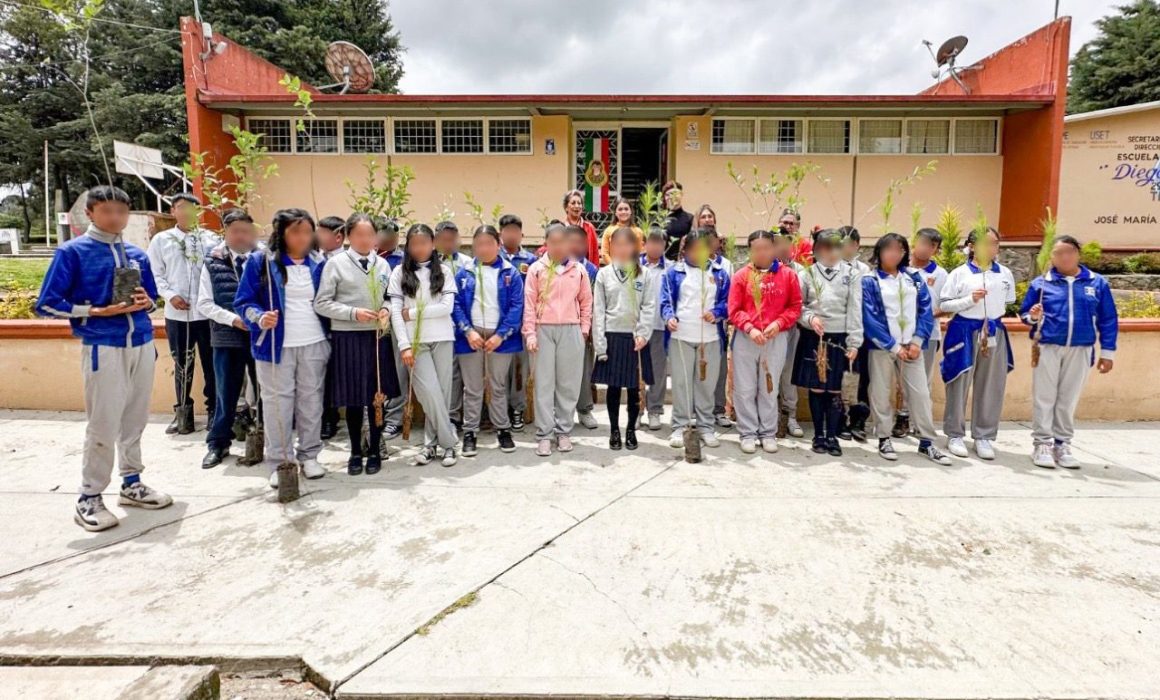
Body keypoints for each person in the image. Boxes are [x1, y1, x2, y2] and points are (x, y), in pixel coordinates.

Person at [37, 185, 172, 531]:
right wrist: (96, 311)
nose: (115, 218)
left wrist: (146, 302)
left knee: (135, 419)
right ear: (91, 213)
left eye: (122, 212)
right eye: (107, 211)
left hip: (141, 343)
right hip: (103, 345)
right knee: (103, 423)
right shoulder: (73, 252)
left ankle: (132, 483)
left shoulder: (136, 254)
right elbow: (47, 304)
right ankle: (90, 496)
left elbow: (152, 298)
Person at [235, 208, 330, 489]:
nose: (303, 237)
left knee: (311, 402)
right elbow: (243, 301)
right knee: (278, 404)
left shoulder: (320, 262)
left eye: (307, 231)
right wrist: (259, 317)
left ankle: (309, 455)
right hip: (275, 346)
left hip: (314, 342)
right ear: (281, 234)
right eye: (295, 232)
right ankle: (280, 462)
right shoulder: (261, 262)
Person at [1020, 235, 1118, 469]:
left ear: (1078, 254)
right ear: (1051, 257)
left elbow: (1108, 319)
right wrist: (1033, 316)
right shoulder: (1041, 284)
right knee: (1044, 396)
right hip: (1047, 347)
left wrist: (1107, 353)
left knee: (1068, 398)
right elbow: (1025, 315)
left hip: (1081, 348)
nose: (1064, 257)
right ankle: (1042, 444)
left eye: (1069, 252)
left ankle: (1062, 444)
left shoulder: (1097, 283)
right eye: (1058, 253)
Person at [314, 213, 400, 476]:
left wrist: (386, 310)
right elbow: (321, 303)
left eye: (369, 235)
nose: (365, 240)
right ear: (348, 236)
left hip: (377, 338)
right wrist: (353, 313)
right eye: (359, 235)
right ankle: (354, 451)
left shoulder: (382, 265)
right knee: (352, 399)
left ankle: (374, 450)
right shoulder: (335, 264)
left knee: (377, 398)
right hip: (348, 337)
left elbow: (391, 297)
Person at [861, 233, 951, 465]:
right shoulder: (870, 281)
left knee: (920, 393)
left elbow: (925, 310)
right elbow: (870, 318)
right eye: (888, 249)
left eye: (899, 250)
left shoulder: (914, 278)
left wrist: (917, 341)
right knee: (880, 392)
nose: (893, 254)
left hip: (912, 347)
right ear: (879, 252)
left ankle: (926, 442)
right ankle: (884, 437)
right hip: (882, 347)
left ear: (904, 253)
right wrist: (893, 346)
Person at [939, 226, 1016, 461]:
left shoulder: (1004, 274)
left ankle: (983, 436)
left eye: (994, 243)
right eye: (984, 243)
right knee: (959, 382)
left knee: (991, 384)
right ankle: (954, 434)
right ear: (971, 246)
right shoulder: (959, 274)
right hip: (964, 330)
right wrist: (968, 300)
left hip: (993, 330)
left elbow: (1008, 301)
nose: (990, 248)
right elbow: (944, 304)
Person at [147, 192, 219, 435]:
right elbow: (155, 274)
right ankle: (182, 413)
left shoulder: (210, 239)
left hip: (208, 315)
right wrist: (170, 295)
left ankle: (214, 411)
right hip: (178, 315)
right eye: (182, 207)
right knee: (182, 365)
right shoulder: (161, 240)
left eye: (192, 208)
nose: (187, 212)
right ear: (173, 211)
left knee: (212, 365)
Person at [389, 223, 460, 467]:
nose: (419, 248)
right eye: (414, 243)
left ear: (433, 244)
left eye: (424, 243)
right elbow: (396, 313)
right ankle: (449, 443)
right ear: (408, 246)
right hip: (415, 342)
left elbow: (446, 308)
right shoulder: (399, 273)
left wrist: (413, 313)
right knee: (429, 393)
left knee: (441, 395)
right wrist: (403, 345)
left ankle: (431, 446)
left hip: (442, 337)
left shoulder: (445, 272)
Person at [727, 229, 802, 454]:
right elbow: (734, 309)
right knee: (745, 388)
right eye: (757, 249)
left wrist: (779, 323)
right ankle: (747, 432)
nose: (762, 253)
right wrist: (749, 328)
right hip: (747, 338)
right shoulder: (742, 276)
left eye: (766, 248)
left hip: (775, 338)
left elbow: (795, 306)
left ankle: (768, 432)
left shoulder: (787, 275)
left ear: (774, 248)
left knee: (769, 387)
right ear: (750, 251)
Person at [522, 222, 593, 457]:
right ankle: (544, 434)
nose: (558, 247)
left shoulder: (578, 270)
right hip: (543, 329)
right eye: (553, 242)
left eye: (562, 242)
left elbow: (586, 301)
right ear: (546, 243)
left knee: (568, 384)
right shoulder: (536, 269)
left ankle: (564, 431)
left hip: (571, 330)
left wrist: (584, 329)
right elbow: (529, 303)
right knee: (543, 383)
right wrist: (530, 333)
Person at [453, 225, 524, 456]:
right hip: (471, 336)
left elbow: (517, 306)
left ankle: (502, 428)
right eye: (479, 244)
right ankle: (470, 431)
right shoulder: (465, 272)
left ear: (498, 244)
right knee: (472, 387)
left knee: (497, 385)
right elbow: (455, 304)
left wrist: (500, 335)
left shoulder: (510, 273)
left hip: (501, 338)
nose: (483, 248)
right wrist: (468, 331)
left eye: (488, 243)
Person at [197, 208, 260, 469]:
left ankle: (266, 440)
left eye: (246, 231)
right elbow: (204, 303)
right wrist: (233, 319)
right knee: (226, 392)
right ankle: (218, 443)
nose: (241, 236)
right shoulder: (212, 261)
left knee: (266, 391)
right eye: (235, 231)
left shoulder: (263, 259)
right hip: (227, 336)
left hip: (261, 336)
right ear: (225, 232)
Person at [793, 230, 862, 456]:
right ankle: (818, 435)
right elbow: (798, 306)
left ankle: (832, 435)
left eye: (836, 247)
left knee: (834, 389)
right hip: (814, 337)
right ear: (816, 250)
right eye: (826, 247)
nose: (831, 252)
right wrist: (810, 319)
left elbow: (855, 309)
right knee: (816, 387)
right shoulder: (806, 274)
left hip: (839, 337)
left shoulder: (851, 274)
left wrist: (854, 342)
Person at [661, 228, 730, 449]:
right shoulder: (674, 273)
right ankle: (680, 425)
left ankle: (706, 426)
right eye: (694, 249)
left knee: (706, 385)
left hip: (710, 338)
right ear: (685, 250)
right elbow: (666, 301)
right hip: (681, 336)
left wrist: (717, 312)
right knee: (681, 384)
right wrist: (669, 317)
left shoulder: (720, 274)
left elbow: (728, 302)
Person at [592, 227, 658, 450]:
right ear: (610, 248)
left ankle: (630, 430)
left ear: (635, 247)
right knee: (613, 388)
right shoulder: (604, 275)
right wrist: (600, 344)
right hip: (612, 337)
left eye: (626, 245)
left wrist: (643, 334)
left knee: (633, 389)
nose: (621, 249)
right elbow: (599, 311)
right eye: (617, 245)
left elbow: (649, 306)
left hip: (635, 339)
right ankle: (614, 430)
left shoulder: (644, 274)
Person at [894, 228, 948, 437]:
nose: (926, 248)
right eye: (923, 243)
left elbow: (946, 305)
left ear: (936, 250)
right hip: (900, 334)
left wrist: (924, 316)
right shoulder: (901, 269)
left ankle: (920, 423)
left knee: (922, 381)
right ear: (914, 243)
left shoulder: (940, 274)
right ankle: (902, 418)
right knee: (901, 379)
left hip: (928, 334)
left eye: (932, 246)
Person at [499, 213, 537, 432]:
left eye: (515, 231)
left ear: (521, 234)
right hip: (499, 325)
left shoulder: (530, 260)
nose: (511, 235)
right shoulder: (495, 257)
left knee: (520, 369)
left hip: (522, 325)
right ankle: (500, 410)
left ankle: (517, 408)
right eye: (507, 231)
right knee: (500, 370)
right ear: (500, 234)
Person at [839, 225, 872, 441]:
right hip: (839, 332)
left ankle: (858, 420)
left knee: (861, 378)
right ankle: (840, 420)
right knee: (839, 378)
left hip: (862, 332)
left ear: (857, 245)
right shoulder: (833, 268)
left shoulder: (865, 271)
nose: (845, 248)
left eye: (850, 244)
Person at [435, 220, 468, 430]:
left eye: (452, 239)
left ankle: (456, 416)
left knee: (459, 373)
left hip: (462, 326)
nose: (449, 244)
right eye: (444, 240)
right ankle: (442, 416)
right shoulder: (429, 263)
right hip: (437, 324)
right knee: (442, 373)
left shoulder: (467, 263)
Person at [772, 230, 805, 438]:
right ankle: (771, 418)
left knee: (788, 373)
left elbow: (800, 301)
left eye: (786, 243)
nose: (782, 247)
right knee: (770, 373)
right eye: (778, 243)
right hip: (769, 330)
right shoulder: (764, 268)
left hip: (792, 328)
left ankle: (790, 416)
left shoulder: (800, 271)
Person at [377, 218, 407, 441]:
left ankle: (394, 418)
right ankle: (372, 417)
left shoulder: (402, 260)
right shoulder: (367, 258)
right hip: (367, 322)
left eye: (394, 236)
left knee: (397, 371)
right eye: (385, 234)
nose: (390, 239)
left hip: (394, 321)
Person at [318, 215, 347, 440]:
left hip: (342, 325)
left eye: (322, 233)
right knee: (320, 374)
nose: (317, 237)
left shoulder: (346, 261)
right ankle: (322, 418)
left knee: (336, 374)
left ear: (338, 237)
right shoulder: (314, 258)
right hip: (317, 325)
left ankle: (331, 418)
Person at [569, 224, 600, 430]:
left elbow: (595, 301)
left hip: (584, 329)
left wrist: (589, 327)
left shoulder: (591, 270)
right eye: (571, 241)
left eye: (580, 242)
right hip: (561, 326)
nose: (575, 246)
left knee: (584, 370)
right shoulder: (556, 267)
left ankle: (584, 409)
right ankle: (561, 412)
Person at [640, 229, 670, 431]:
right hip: (637, 327)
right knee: (637, 371)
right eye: (652, 242)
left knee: (658, 371)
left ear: (665, 246)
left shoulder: (671, 269)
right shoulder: (634, 266)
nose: (656, 246)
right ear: (644, 244)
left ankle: (655, 410)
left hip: (660, 326)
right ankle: (636, 410)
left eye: (660, 243)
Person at [706, 223, 735, 429]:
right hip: (695, 328)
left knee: (719, 370)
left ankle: (718, 409)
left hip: (717, 327)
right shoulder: (690, 265)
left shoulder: (725, 267)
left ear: (718, 242)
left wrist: (717, 314)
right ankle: (698, 411)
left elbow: (729, 298)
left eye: (712, 239)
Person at [599, 198, 643, 266]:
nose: (623, 212)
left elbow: (640, 253)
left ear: (631, 212)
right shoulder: (609, 231)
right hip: (613, 268)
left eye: (626, 209)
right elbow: (604, 253)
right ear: (615, 213)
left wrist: (632, 268)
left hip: (632, 269)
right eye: (620, 209)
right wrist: (614, 267)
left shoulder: (638, 232)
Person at [562, 189, 600, 265]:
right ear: (566, 207)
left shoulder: (589, 228)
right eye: (573, 203)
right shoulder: (561, 228)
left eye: (579, 203)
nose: (577, 206)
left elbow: (595, 254)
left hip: (586, 269)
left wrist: (594, 270)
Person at [661, 181, 693, 260]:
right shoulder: (658, 219)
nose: (672, 197)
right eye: (668, 194)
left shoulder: (690, 219)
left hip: (682, 262)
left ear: (681, 195)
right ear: (664, 198)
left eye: (675, 193)